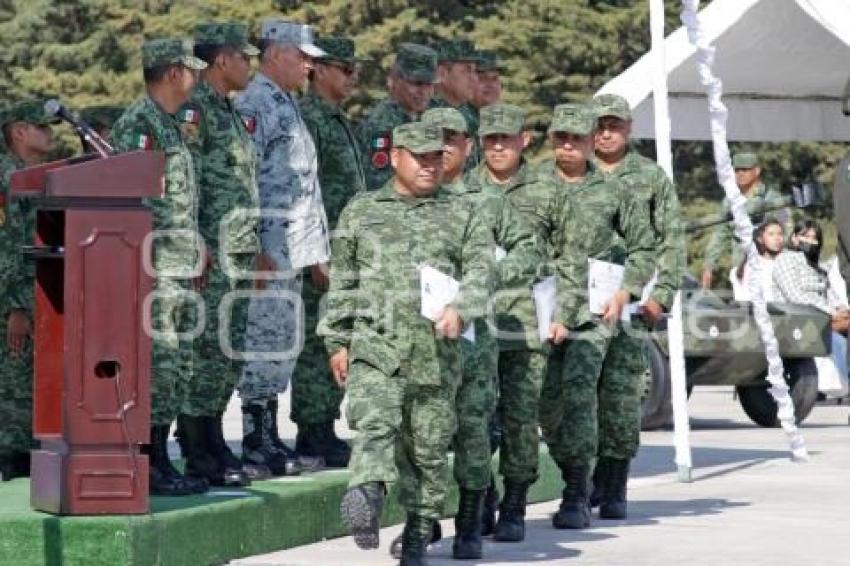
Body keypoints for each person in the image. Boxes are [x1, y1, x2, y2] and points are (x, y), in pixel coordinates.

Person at [319, 121, 494, 566]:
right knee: (373, 424)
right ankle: (367, 491)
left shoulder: (464, 212)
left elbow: (480, 271)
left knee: (428, 452)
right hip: (375, 348)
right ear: (395, 156)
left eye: (436, 157)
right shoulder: (360, 212)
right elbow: (344, 283)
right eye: (419, 157)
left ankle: (417, 534)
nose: (429, 166)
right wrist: (337, 342)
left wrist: (462, 307)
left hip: (437, 355)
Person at [409, 107, 539, 559]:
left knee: (472, 430)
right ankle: (421, 521)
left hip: (473, 340)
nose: (442, 147)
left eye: (452, 138)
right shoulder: (403, 199)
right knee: (421, 433)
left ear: (468, 146)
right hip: (418, 340)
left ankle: (469, 519)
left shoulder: (486, 201)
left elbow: (529, 250)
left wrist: (487, 277)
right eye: (434, 138)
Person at [539, 102, 655, 530]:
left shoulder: (615, 191)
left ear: (589, 142)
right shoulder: (531, 185)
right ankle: (573, 473)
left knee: (581, 398)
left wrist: (629, 290)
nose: (569, 146)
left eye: (577, 138)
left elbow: (645, 246)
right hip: (539, 308)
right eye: (561, 138)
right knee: (547, 403)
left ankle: (577, 491)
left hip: (593, 313)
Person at [110, 38, 209, 496]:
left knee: (175, 368)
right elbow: (131, 199)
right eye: (192, 69)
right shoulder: (140, 123)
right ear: (173, 73)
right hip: (155, 268)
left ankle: (159, 456)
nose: (197, 76)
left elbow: (180, 201)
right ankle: (146, 462)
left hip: (180, 264)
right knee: (158, 365)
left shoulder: (171, 125)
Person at [235, 19, 330, 475]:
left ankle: (271, 438)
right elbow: (243, 179)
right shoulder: (255, 103)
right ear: (276, 55)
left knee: (281, 345)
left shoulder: (286, 103)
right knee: (263, 344)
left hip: (292, 249)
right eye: (303, 57)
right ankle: (256, 440)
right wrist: (254, 246)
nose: (310, 66)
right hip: (270, 250)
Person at [175, 22, 267, 487]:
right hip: (211, 251)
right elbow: (183, 178)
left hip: (238, 249)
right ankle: (198, 449)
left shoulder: (228, 111)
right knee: (205, 349)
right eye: (244, 57)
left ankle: (212, 438)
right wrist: (194, 240)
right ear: (221, 61)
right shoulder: (195, 110)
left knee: (227, 350)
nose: (250, 65)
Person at [468, 102, 560, 542]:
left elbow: (569, 256)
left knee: (522, 418)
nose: (499, 147)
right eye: (491, 140)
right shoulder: (464, 189)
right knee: (476, 418)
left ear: (524, 140)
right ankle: (480, 496)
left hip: (526, 323)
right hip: (480, 326)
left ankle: (516, 502)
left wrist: (565, 312)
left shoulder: (546, 190)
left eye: (507, 138)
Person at [591, 93, 686, 518]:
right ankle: (584, 477)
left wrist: (661, 296)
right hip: (581, 303)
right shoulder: (573, 172)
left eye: (614, 125)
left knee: (621, 397)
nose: (606, 132)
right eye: (600, 125)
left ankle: (613, 485)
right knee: (574, 398)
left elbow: (671, 239)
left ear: (628, 128)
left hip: (631, 303)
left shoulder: (650, 177)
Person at [292, 35, 367, 468]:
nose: (352, 78)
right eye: (344, 69)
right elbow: (307, 189)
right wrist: (317, 252)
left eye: (354, 70)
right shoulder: (310, 118)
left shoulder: (336, 118)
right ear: (318, 69)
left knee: (336, 333)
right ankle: (311, 430)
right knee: (316, 342)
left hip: (343, 248)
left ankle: (324, 424)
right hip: (321, 251)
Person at [0, 101, 60, 481]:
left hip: (29, 299)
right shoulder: (8, 179)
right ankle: (13, 468)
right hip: (12, 306)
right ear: (18, 132)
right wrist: (16, 309)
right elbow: (7, 248)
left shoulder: (29, 175)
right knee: (15, 395)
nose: (50, 133)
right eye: (41, 127)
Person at [358, 43, 437, 190]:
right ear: (395, 80)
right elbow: (380, 186)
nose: (424, 92)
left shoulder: (425, 117)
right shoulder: (382, 125)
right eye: (417, 83)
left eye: (429, 84)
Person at [701, 152, 786, 289]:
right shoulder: (730, 201)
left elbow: (786, 232)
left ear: (756, 171)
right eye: (737, 170)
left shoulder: (772, 199)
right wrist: (709, 266)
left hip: (771, 269)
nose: (740, 174)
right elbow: (719, 235)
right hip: (741, 269)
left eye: (745, 170)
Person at [772, 220, 850, 333]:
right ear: (794, 238)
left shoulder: (819, 267)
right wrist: (831, 311)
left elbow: (829, 294)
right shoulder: (785, 259)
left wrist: (840, 308)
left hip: (822, 322)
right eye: (806, 236)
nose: (810, 241)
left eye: (814, 238)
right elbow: (795, 296)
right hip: (796, 325)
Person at [429, 39, 480, 170]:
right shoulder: (423, 118)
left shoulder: (470, 115)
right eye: (466, 70)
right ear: (442, 74)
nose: (474, 78)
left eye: (475, 71)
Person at [730, 219, 784, 302]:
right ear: (760, 239)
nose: (777, 238)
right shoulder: (752, 267)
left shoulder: (786, 263)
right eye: (771, 234)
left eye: (780, 234)